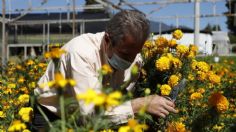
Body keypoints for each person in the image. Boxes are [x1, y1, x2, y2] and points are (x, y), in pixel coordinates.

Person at [33, 10, 177, 130]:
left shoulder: (134, 57)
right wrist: (140, 105)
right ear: (107, 40)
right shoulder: (81, 53)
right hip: (53, 116)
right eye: (125, 54)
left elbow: (119, 101)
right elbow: (89, 115)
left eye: (136, 53)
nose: (130, 60)